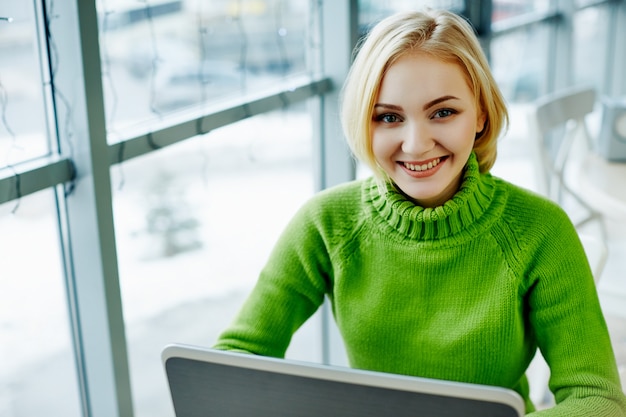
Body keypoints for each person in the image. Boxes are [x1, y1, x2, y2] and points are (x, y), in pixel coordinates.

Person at [213, 8, 626, 416]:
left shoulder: (540, 229)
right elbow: (229, 364)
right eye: (389, 117)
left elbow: (598, 400)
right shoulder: (326, 224)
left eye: (443, 112)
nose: (415, 144)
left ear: (480, 114)